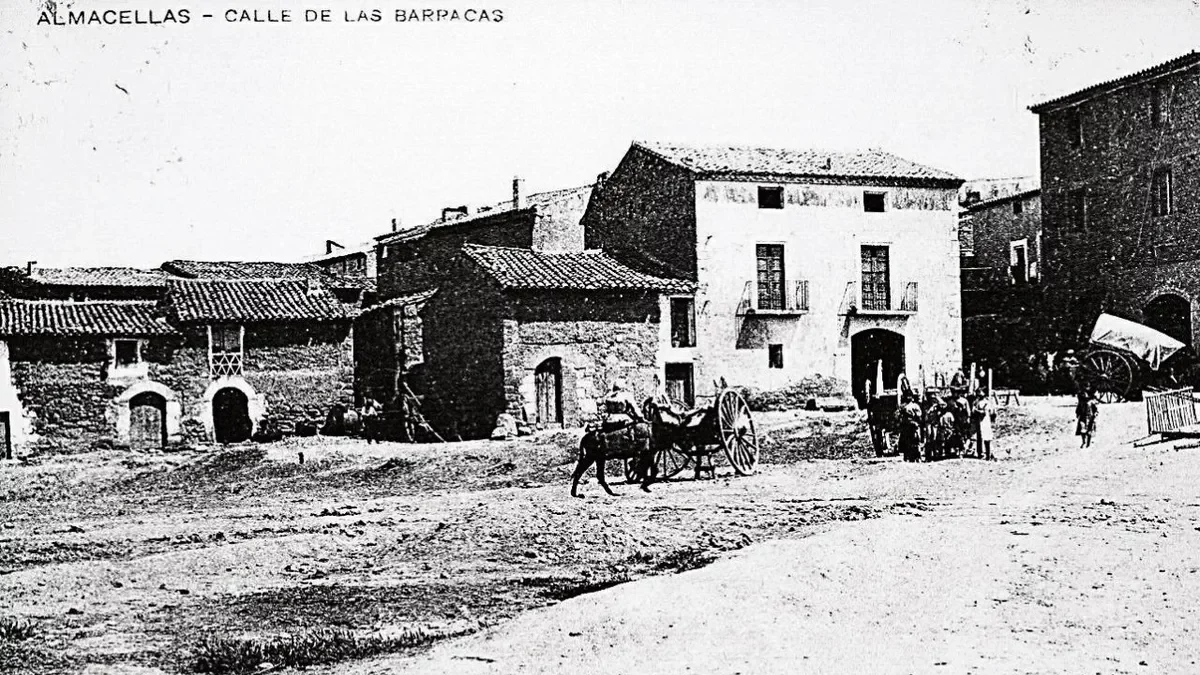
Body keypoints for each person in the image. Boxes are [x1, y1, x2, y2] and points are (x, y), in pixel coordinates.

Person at [898, 394, 924, 463]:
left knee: (911, 441)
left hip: (910, 424)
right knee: (912, 441)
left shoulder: (904, 406)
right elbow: (919, 415)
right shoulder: (913, 406)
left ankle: (913, 457)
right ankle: (912, 457)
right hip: (910, 425)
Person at [972, 393, 996, 460]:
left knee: (986, 437)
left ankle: (988, 454)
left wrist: (976, 410)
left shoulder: (986, 402)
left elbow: (984, 413)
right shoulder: (977, 402)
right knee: (980, 437)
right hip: (979, 422)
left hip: (985, 422)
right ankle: (981, 453)